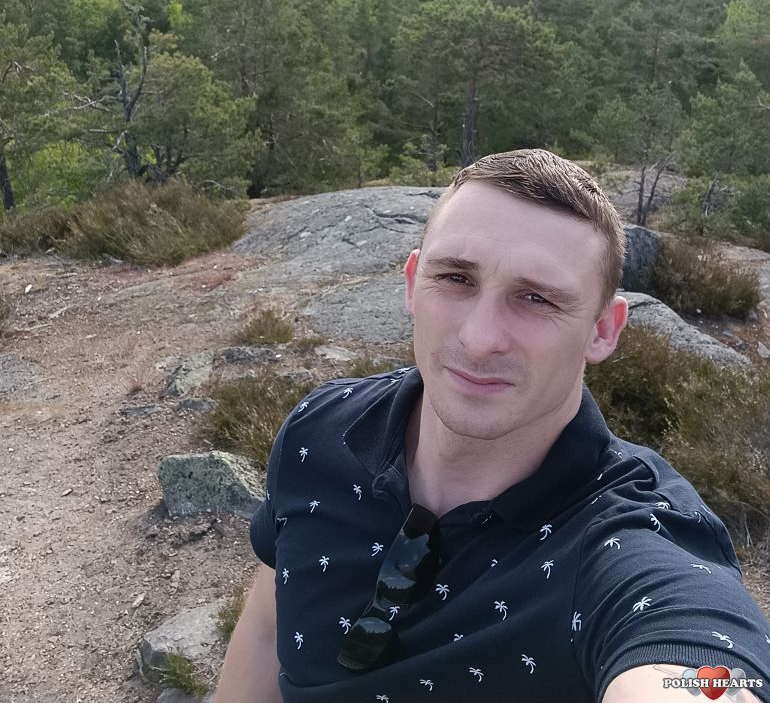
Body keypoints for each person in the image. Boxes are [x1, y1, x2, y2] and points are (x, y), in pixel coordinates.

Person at [215, 149, 770, 703]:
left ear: (602, 330)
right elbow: (268, 626)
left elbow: (700, 672)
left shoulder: (627, 543)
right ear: (412, 284)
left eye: (536, 298)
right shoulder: (321, 428)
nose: (480, 339)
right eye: (455, 277)